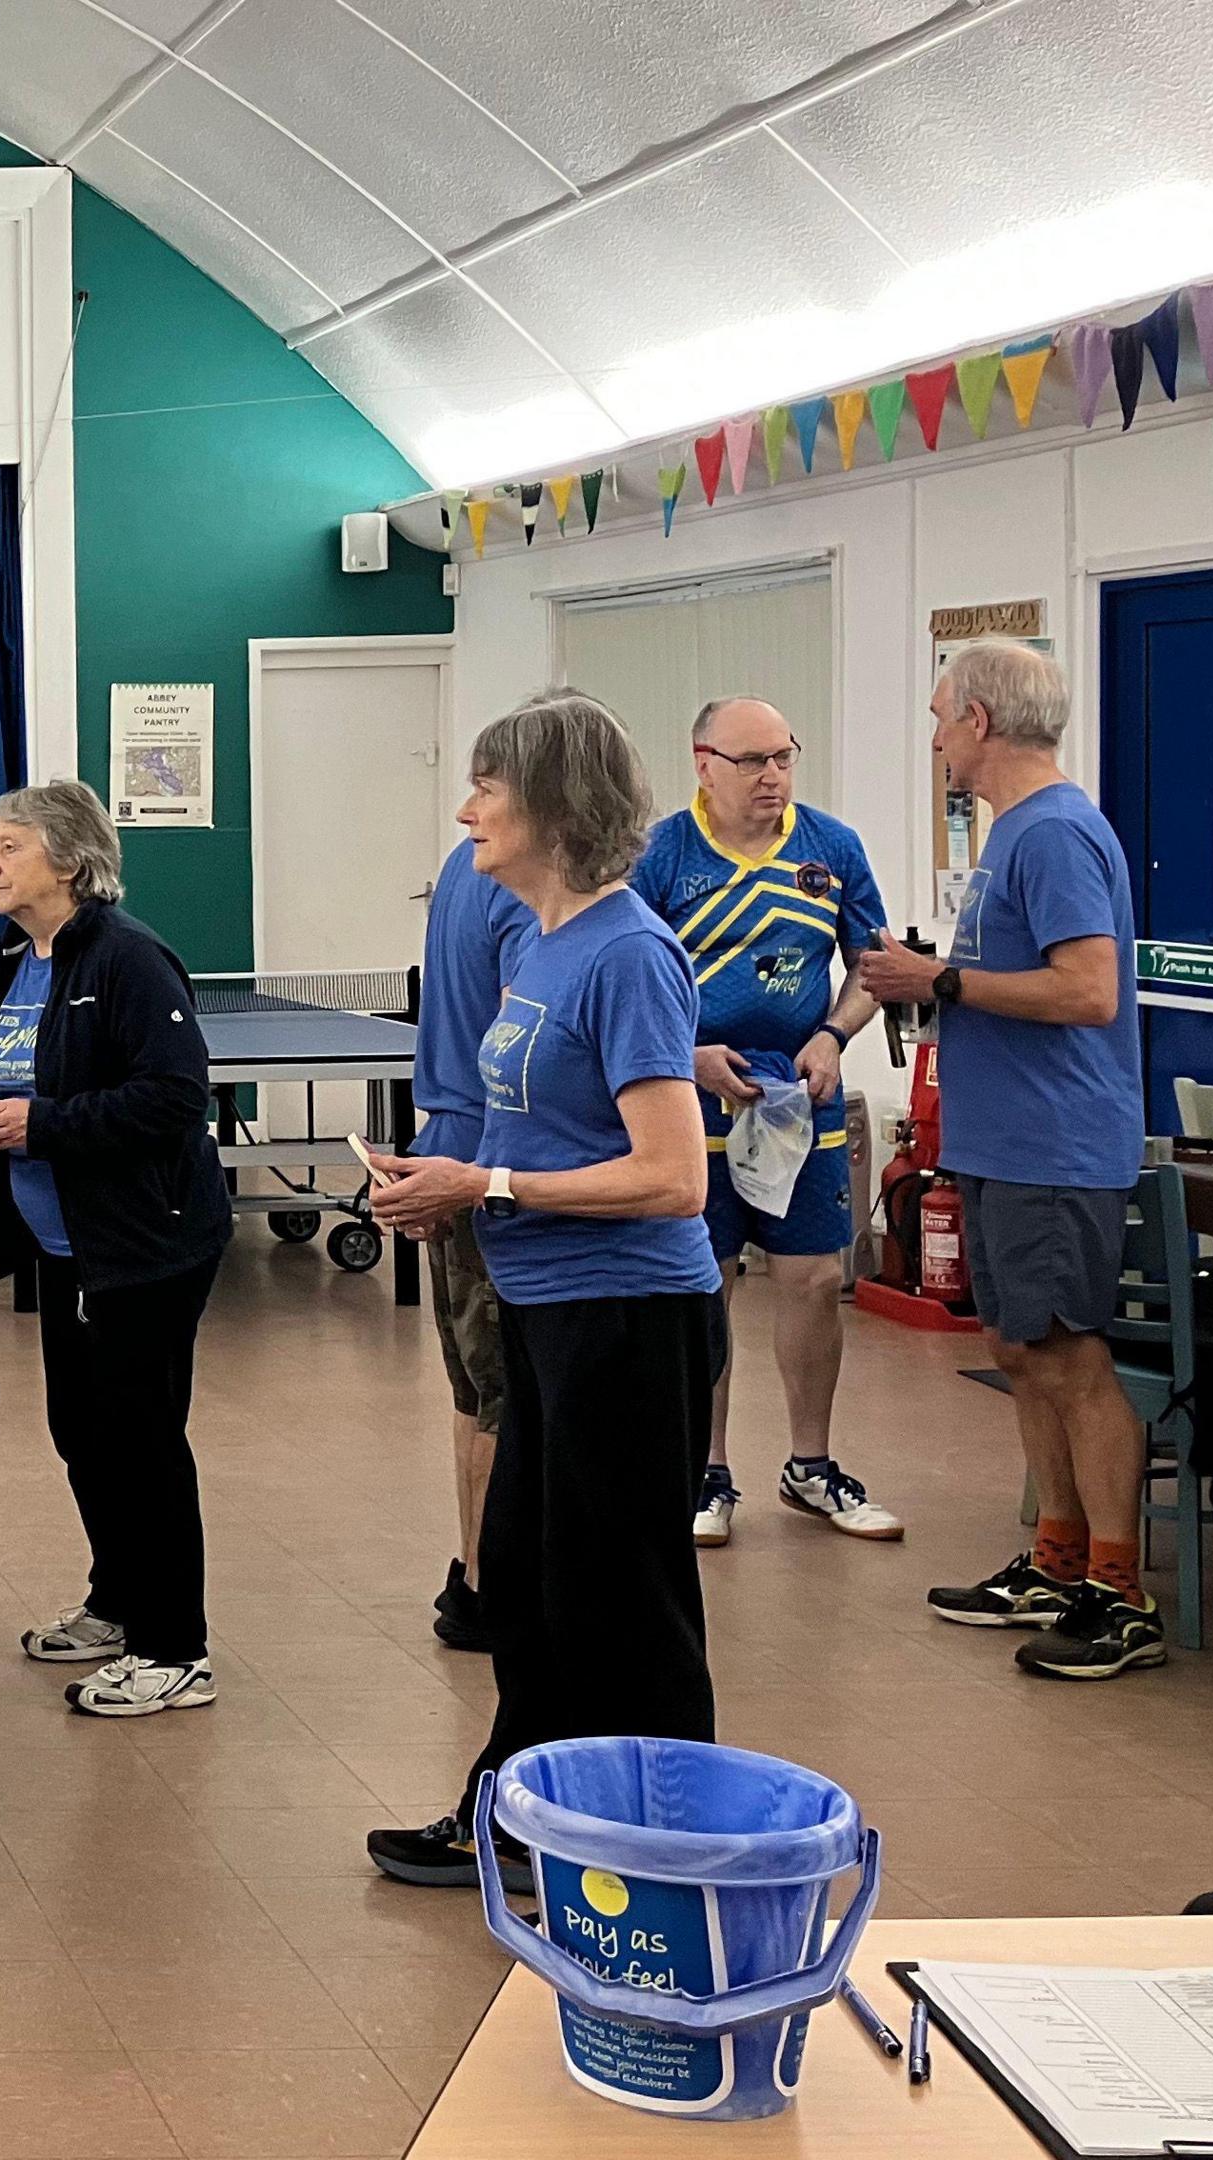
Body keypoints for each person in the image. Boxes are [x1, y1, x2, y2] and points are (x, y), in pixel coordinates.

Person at [364, 692, 721, 1889]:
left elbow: (672, 1177)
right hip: (550, 1310)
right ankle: (521, 1810)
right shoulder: (548, 943)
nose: (468, 811)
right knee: (524, 1581)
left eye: (490, 792)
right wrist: (447, 1183)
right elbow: (542, 1129)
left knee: (626, 1598)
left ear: (556, 811)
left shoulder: (626, 952)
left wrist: (493, 1181)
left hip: (629, 1318)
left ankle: (667, 1844)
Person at [855, 641, 1156, 1679]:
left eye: (941, 717)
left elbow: (1089, 993)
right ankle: (1056, 1560)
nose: (934, 737)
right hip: (1001, 1140)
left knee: (1069, 1358)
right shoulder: (1012, 833)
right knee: (1021, 1355)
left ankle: (1119, 1596)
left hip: (1056, 1143)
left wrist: (937, 981)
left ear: (980, 721)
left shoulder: (1058, 833)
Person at [0, 781, 230, 1718]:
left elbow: (174, 1099)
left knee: (143, 1444)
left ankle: (178, 1650)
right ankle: (120, 1604)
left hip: (147, 1246)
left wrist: (41, 1127)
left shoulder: (132, 961)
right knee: (83, 1436)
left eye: (8, 847)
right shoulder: (13, 963)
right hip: (61, 1243)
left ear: (69, 862)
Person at [631, 695, 904, 1545]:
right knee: (704, 1283)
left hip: (799, 1102)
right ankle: (704, 1471)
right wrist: (688, 1054)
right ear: (703, 761)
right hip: (691, 1103)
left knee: (817, 1280)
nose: (773, 777)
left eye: (784, 758)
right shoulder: (660, 854)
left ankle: (811, 1466)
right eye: (753, 762)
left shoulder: (832, 848)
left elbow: (874, 966)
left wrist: (833, 1035)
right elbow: (623, 976)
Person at [411, 834, 536, 1653]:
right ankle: (500, 1592)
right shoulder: (520, 880)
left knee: (473, 1390)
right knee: (502, 1395)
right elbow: (518, 1050)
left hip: (450, 1142)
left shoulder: (467, 862)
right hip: (491, 1161)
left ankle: (477, 1579)